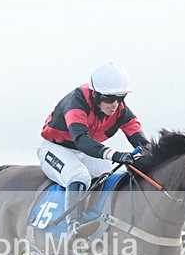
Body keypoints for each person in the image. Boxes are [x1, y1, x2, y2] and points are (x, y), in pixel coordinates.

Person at [38, 61, 153, 238]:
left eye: (120, 98)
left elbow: (141, 142)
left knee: (114, 176)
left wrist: (150, 155)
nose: (115, 104)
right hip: (56, 149)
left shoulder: (121, 110)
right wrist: (115, 154)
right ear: (95, 94)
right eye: (109, 98)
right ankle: (73, 228)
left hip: (84, 153)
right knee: (78, 175)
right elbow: (82, 140)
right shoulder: (75, 102)